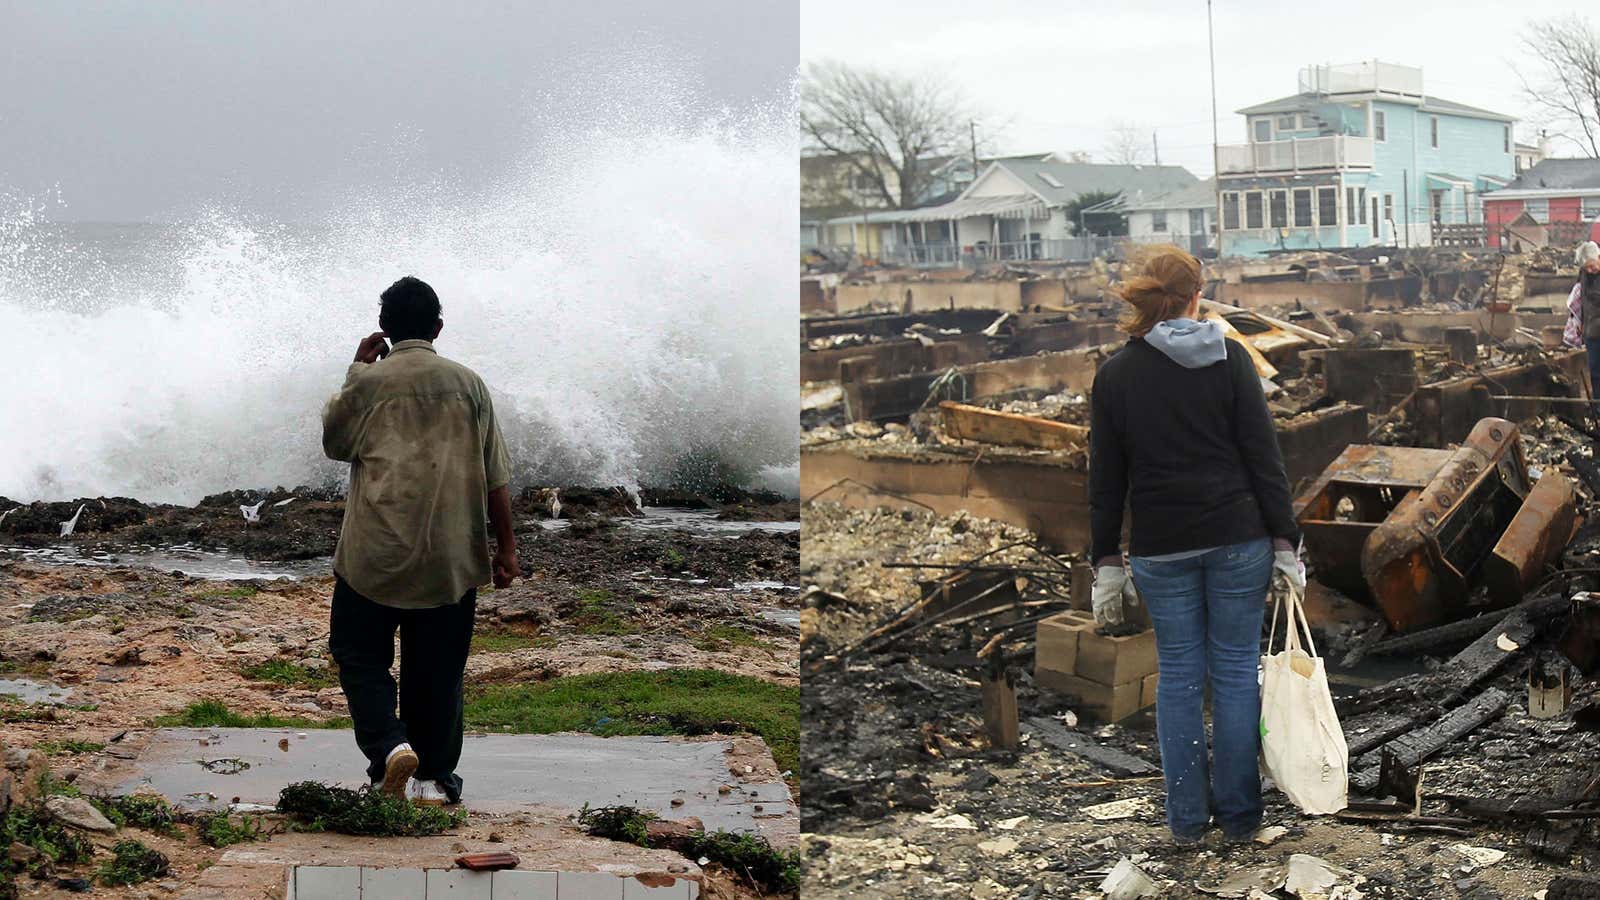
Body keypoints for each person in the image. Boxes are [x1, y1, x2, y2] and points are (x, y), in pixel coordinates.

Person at [1087, 246, 1303, 845]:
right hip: (1239, 538)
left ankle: (1186, 821)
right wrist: (1285, 541)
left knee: (1179, 676)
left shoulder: (1115, 375)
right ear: (1195, 297)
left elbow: (1105, 480)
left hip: (1161, 547)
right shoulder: (1232, 360)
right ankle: (1240, 819)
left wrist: (1106, 562)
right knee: (1236, 673)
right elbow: (1265, 458)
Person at [321, 275, 519, 806]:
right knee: (438, 668)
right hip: (449, 555)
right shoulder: (469, 384)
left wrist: (358, 367)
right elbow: (494, 473)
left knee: (359, 656)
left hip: (374, 554)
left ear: (384, 328)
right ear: (437, 327)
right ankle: (434, 776)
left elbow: (336, 445)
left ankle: (389, 747)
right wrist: (507, 549)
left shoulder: (369, 383)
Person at [1565, 242, 1600, 418]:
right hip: (1592, 332)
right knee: (1595, 371)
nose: (1591, 270)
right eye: (1587, 268)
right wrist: (1578, 321)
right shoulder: (1584, 275)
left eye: (1593, 266)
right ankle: (1598, 406)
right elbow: (1581, 299)